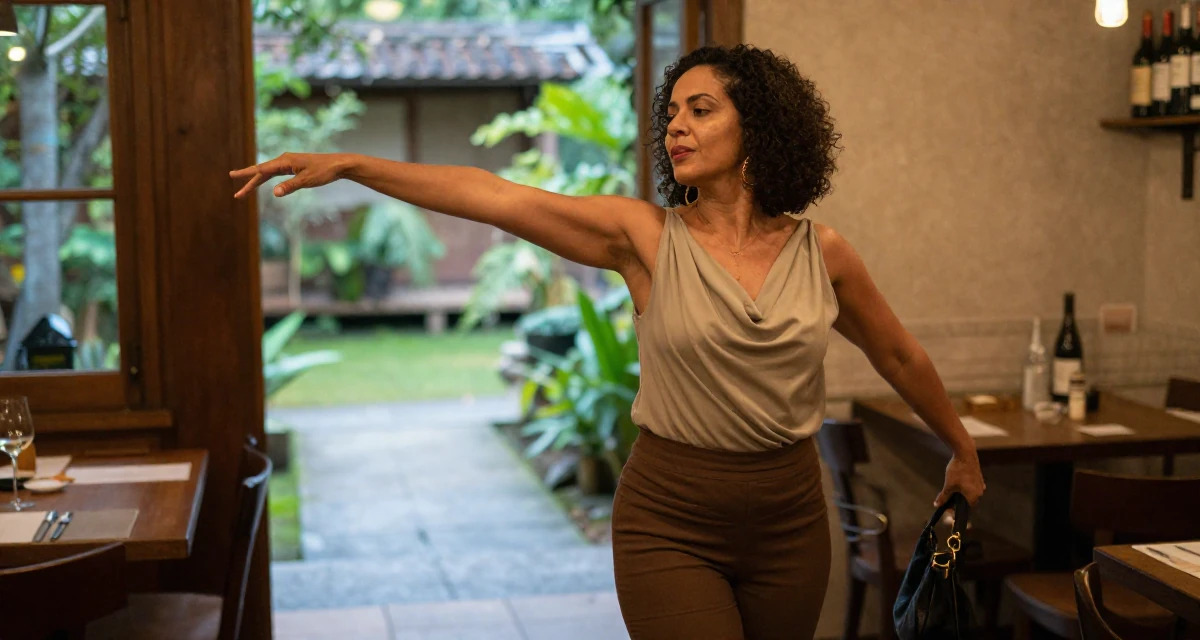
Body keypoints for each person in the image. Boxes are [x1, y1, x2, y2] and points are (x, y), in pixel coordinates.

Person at [232, 44, 986, 640]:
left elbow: (897, 355)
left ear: (756, 126)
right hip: (671, 520)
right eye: (671, 114)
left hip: (790, 522)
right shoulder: (645, 239)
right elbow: (496, 196)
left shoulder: (825, 254)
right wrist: (356, 165)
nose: (675, 127)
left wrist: (961, 447)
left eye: (701, 110)